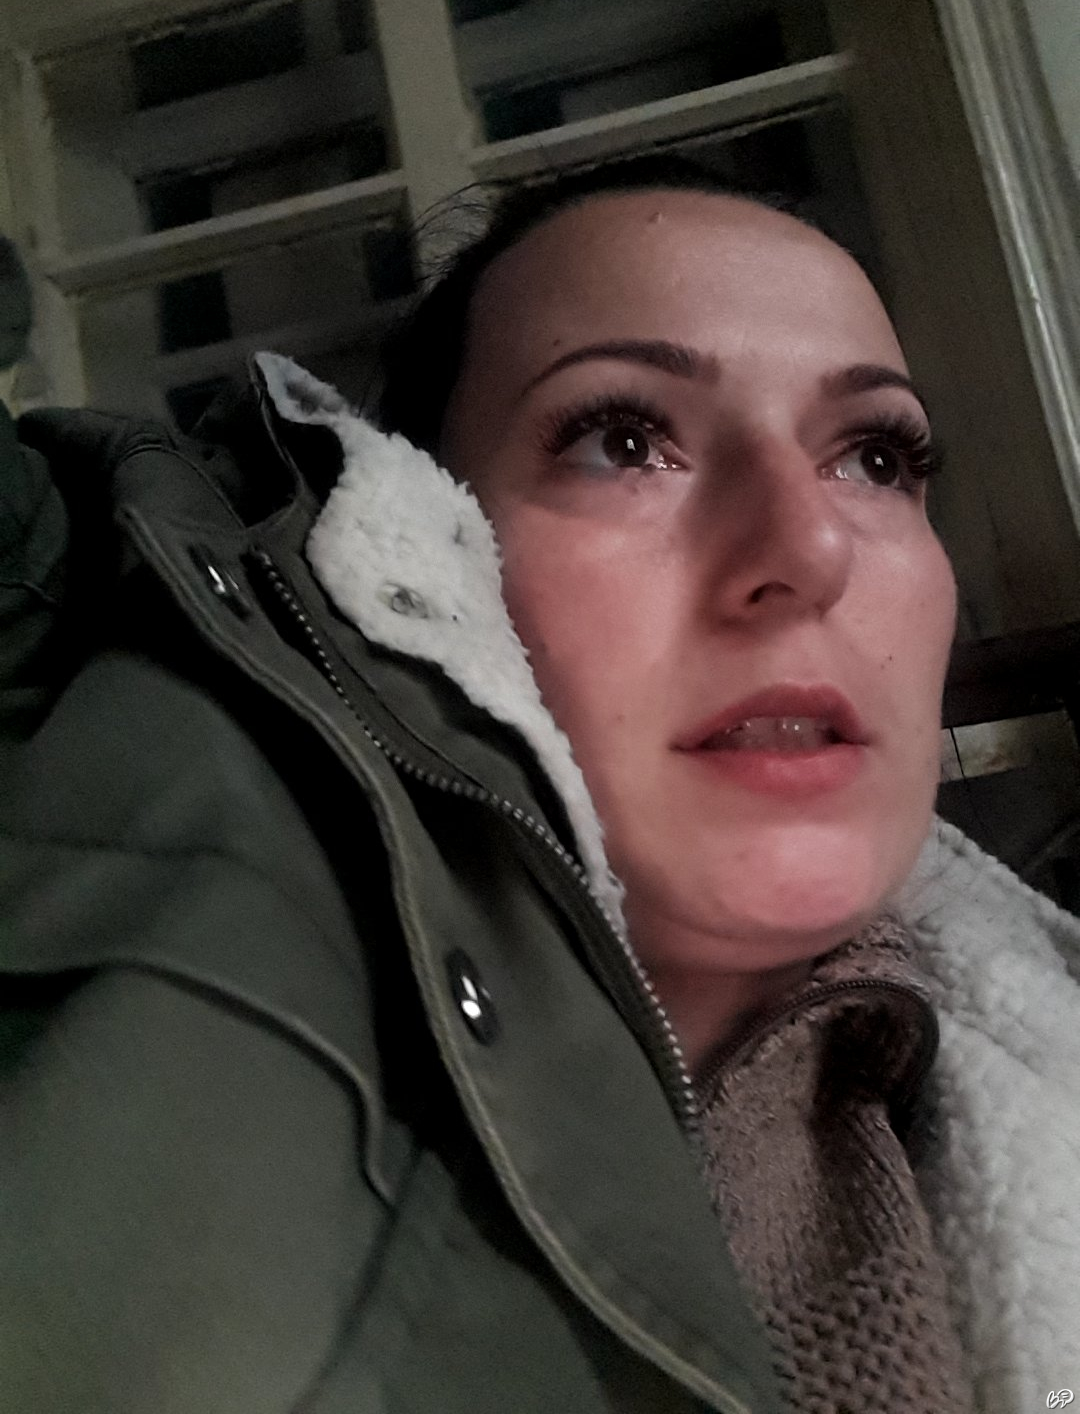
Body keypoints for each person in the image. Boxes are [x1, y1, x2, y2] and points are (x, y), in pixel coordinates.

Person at [1, 156, 1077, 1414]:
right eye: (624, 439)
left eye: (877, 458)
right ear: (423, 550)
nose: (809, 544)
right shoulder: (168, 790)